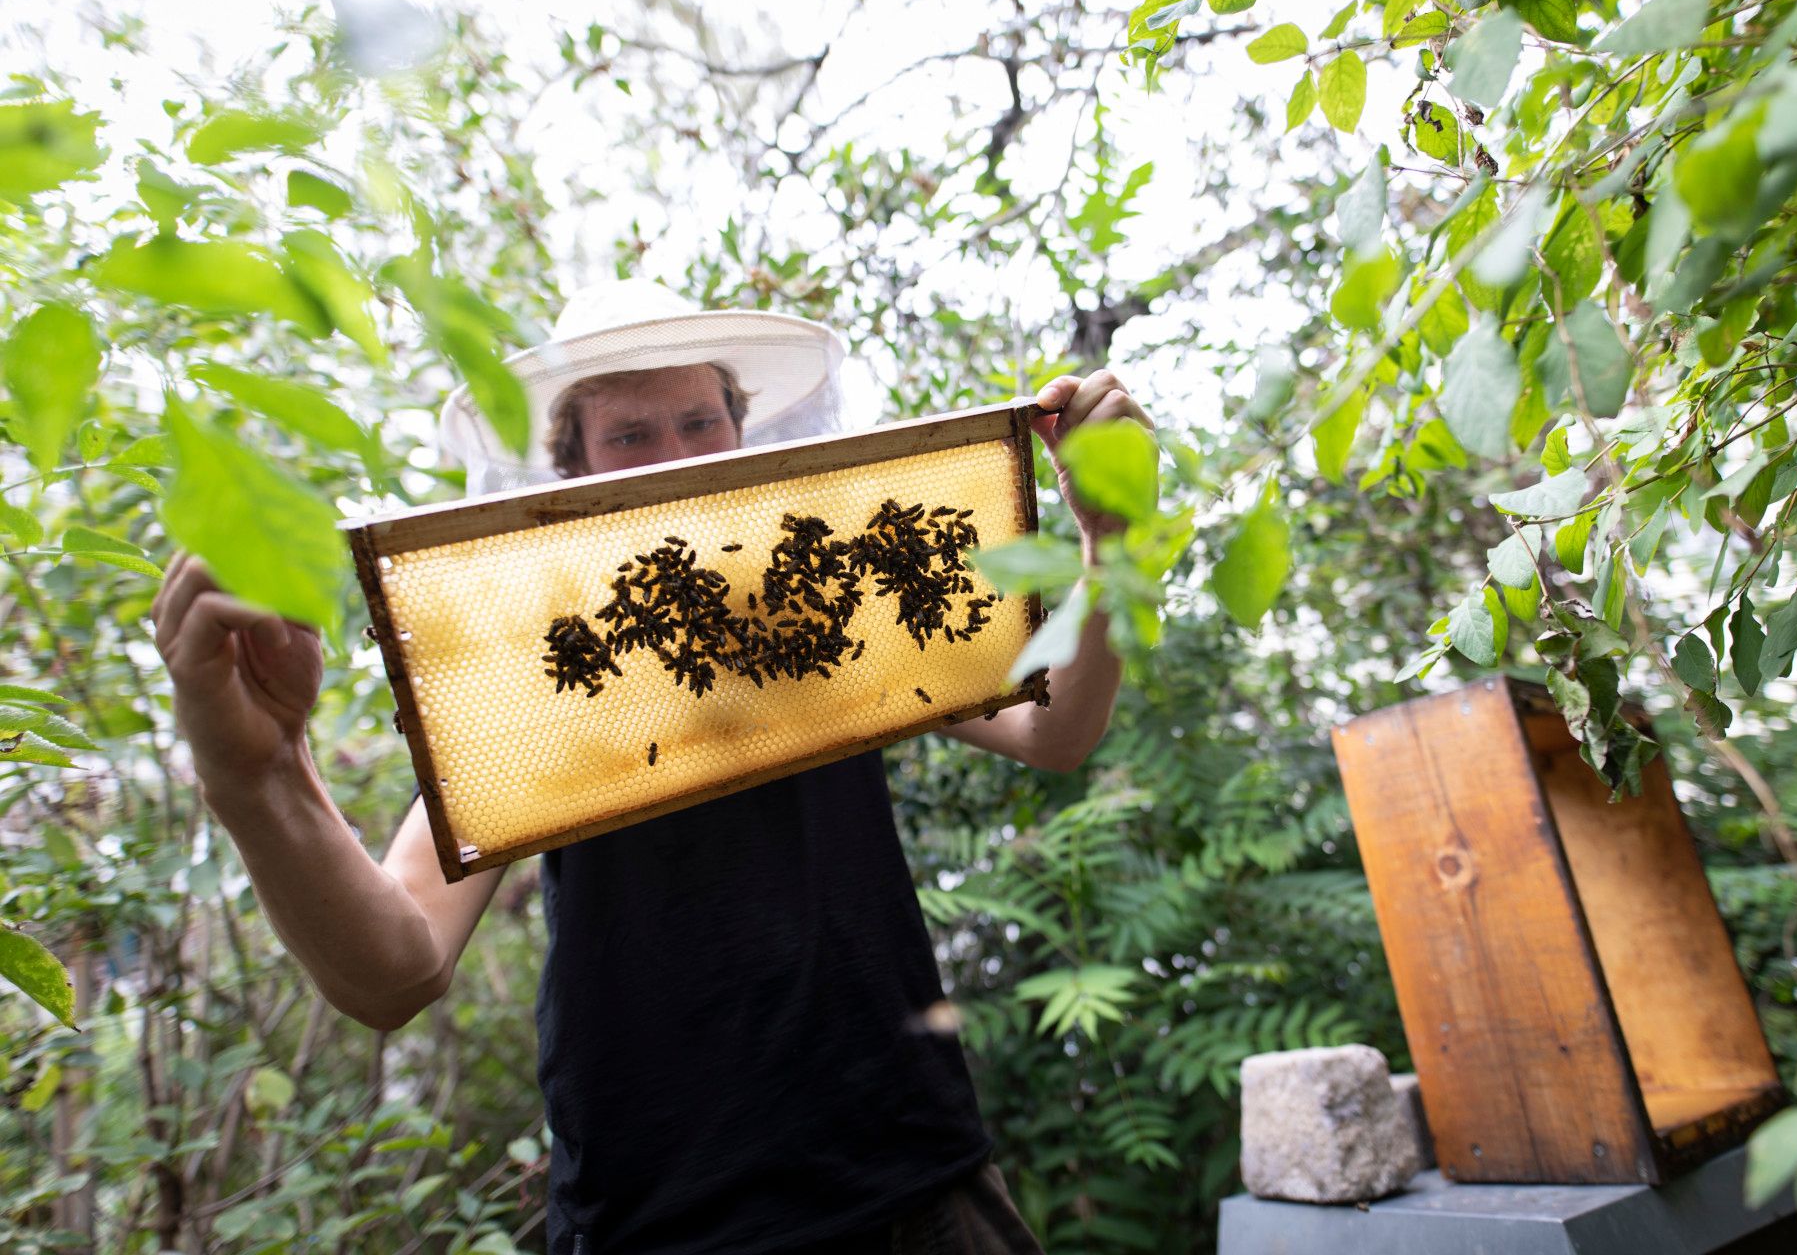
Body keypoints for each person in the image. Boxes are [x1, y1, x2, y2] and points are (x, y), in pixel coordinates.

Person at [152, 280, 1153, 1255]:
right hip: (664, 1218)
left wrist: (1109, 542)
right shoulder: (541, 667)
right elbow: (394, 968)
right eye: (632, 435)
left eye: (698, 422)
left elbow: (1053, 730)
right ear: (573, 464)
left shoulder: (828, 599)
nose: (675, 458)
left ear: (742, 432)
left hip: (916, 1182)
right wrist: (261, 775)